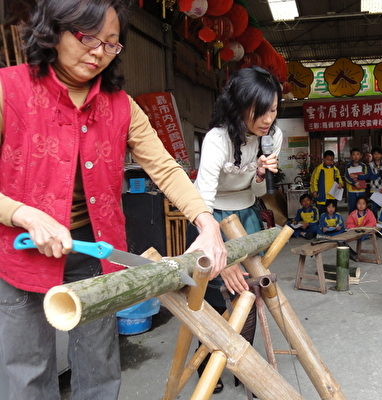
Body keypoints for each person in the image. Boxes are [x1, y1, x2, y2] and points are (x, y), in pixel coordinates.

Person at [0, 2, 227, 399]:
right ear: (53, 31)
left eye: (111, 43)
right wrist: (24, 214)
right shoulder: (9, 89)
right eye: (88, 38)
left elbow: (165, 168)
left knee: (99, 365)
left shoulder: (121, 106)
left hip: (93, 250)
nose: (98, 53)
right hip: (19, 250)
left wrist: (207, 223)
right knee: (26, 372)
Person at [189, 66, 282, 392]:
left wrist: (260, 174)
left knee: (248, 293)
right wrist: (223, 257)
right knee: (211, 297)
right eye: (260, 111)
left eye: (273, 110)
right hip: (210, 217)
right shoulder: (217, 139)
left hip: (246, 215)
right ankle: (206, 369)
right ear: (239, 106)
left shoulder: (272, 137)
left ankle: (244, 366)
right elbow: (202, 199)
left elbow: (258, 193)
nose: (268, 119)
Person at [310, 150, 344, 215]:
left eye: (331, 160)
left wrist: (341, 184)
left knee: (333, 214)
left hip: (333, 196)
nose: (329, 161)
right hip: (322, 196)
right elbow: (313, 180)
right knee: (322, 214)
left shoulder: (335, 169)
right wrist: (314, 191)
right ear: (323, 159)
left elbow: (339, 179)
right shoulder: (319, 169)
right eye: (327, 159)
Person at [344, 148, 369, 213]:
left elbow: (366, 176)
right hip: (351, 191)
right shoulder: (348, 166)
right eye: (354, 154)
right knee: (352, 208)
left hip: (361, 191)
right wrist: (354, 183)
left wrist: (357, 176)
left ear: (361, 156)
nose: (356, 156)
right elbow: (346, 177)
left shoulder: (364, 166)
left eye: (358, 154)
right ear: (351, 156)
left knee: (362, 208)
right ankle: (352, 220)